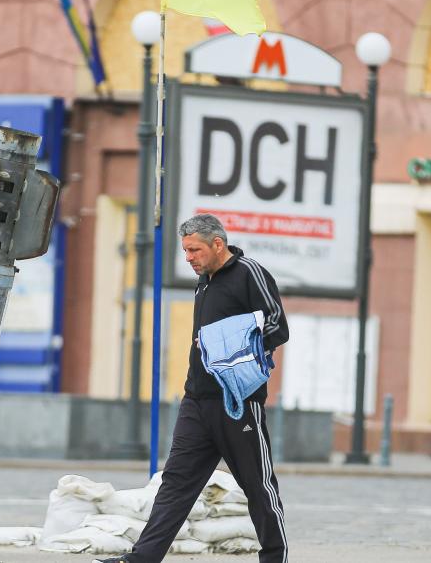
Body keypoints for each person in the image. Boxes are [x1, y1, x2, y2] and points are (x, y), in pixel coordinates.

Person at [96, 214, 290, 563]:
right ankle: (142, 558)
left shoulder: (249, 273)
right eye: (185, 250)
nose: (189, 257)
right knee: (175, 483)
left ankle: (275, 558)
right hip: (196, 401)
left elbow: (277, 326)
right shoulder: (203, 282)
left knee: (258, 486)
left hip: (238, 402)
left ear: (218, 244)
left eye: (194, 249)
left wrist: (235, 347)